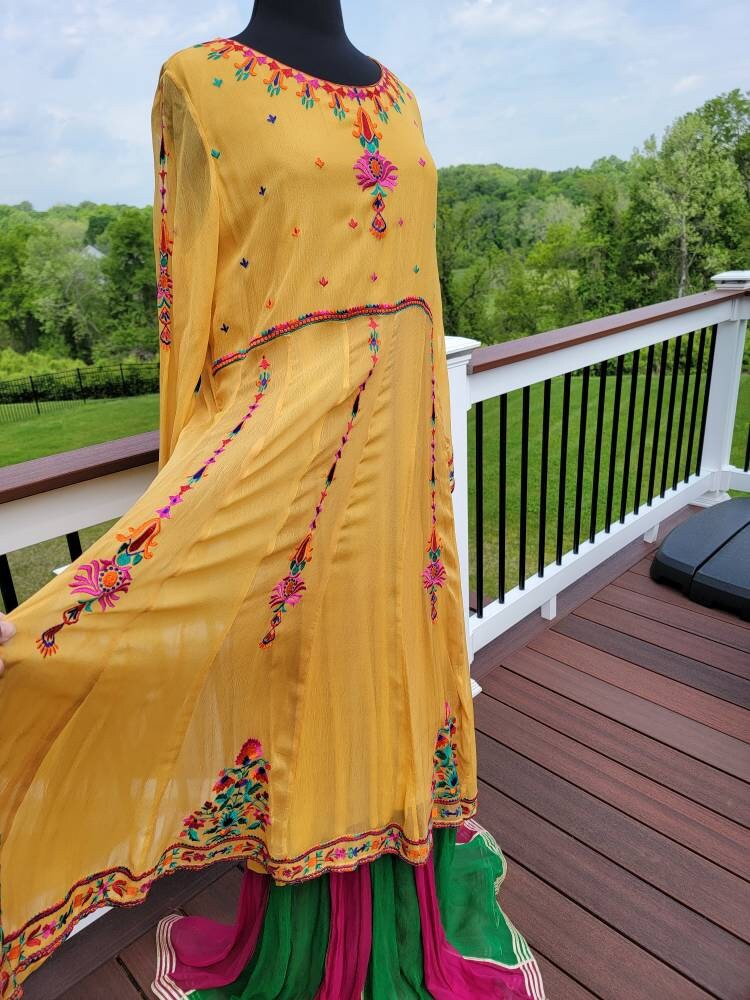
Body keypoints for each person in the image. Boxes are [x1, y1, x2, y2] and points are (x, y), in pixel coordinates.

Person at [0, 14, 545, 1000]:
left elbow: (415, 288)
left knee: (375, 689)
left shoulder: (400, 94)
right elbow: (191, 303)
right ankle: (302, 953)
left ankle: (396, 941)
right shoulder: (197, 83)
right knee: (78, 656)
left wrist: (430, 489)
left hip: (401, 491)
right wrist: (192, 481)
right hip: (288, 454)